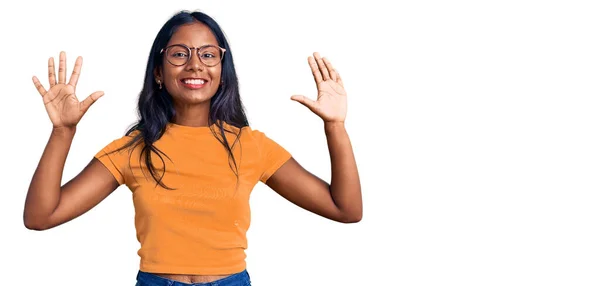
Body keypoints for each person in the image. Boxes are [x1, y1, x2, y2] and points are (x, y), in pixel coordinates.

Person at [23, 10, 362, 285]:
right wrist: (63, 131)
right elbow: (41, 216)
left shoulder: (252, 146)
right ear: (159, 71)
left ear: (222, 71)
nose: (195, 64)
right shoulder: (134, 149)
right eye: (180, 54)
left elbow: (345, 210)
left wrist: (335, 127)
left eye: (208, 54)